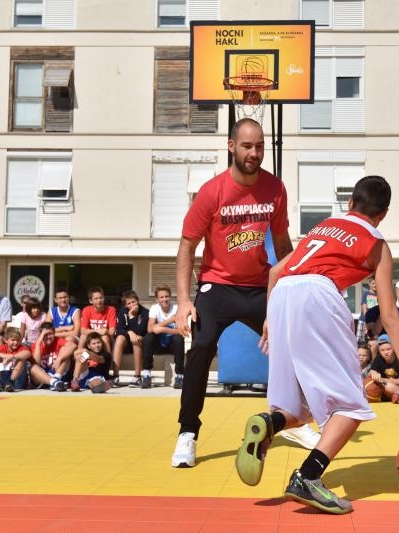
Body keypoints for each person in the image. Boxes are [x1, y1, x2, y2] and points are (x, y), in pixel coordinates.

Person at [234, 175, 399, 515]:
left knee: (295, 407)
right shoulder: (377, 243)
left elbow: (275, 272)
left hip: (282, 295)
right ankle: (308, 477)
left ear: (350, 203)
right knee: (351, 405)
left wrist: (269, 319)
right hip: (318, 295)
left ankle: (269, 424)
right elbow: (390, 315)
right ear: (383, 214)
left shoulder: (324, 227)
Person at [171, 118, 293, 468]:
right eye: (247, 146)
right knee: (202, 345)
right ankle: (187, 433)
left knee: (291, 343)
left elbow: (283, 245)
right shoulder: (212, 192)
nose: (254, 153)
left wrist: (292, 290)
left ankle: (294, 417)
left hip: (259, 285)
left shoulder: (275, 189)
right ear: (231, 146)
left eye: (259, 146)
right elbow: (187, 246)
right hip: (218, 286)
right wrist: (183, 300)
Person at [143, 284, 185, 389]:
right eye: (161, 297)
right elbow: (150, 329)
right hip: (159, 345)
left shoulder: (177, 309)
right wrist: (170, 320)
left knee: (179, 338)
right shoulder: (154, 308)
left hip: (173, 345)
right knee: (148, 338)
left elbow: (181, 331)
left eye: (167, 296)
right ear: (157, 299)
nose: (164, 299)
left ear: (170, 296)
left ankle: (179, 376)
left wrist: (161, 329)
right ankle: (146, 374)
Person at [113, 290, 151, 388]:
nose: (132, 305)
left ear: (138, 301)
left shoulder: (145, 313)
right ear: (125, 305)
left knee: (136, 339)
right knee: (120, 338)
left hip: (140, 343)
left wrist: (132, 317)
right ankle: (115, 376)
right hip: (126, 342)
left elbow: (140, 331)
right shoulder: (122, 311)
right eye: (129, 303)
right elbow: (119, 329)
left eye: (133, 302)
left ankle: (137, 376)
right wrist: (129, 332)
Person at [0, 327, 31, 392]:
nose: (15, 342)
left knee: (21, 360)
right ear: (6, 340)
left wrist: (13, 357)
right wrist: (4, 355)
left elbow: (28, 353)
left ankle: (11, 381)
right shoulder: (3, 347)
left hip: (18, 381)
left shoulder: (22, 347)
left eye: (18, 340)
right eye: (13, 340)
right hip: (4, 379)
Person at [366, 334, 399, 402]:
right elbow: (371, 372)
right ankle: (396, 398)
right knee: (370, 385)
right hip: (384, 388)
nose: (386, 352)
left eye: (388, 349)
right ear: (379, 350)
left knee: (388, 386)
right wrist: (374, 373)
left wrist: (381, 379)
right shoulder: (378, 359)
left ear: (394, 348)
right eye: (382, 350)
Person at [29, 323, 69, 391]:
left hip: (56, 373)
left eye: (51, 334)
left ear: (54, 334)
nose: (48, 337)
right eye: (45, 335)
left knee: (66, 352)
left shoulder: (58, 340)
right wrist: (38, 343)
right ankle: (55, 382)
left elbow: (72, 345)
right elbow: (37, 363)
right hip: (42, 378)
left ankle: (56, 379)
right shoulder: (35, 345)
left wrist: (59, 359)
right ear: (41, 335)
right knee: (33, 368)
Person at [79, 287, 117, 353]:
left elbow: (112, 332)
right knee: (83, 337)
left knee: (105, 338)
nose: (99, 301)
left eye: (101, 298)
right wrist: (99, 331)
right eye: (96, 298)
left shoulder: (111, 309)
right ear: (90, 301)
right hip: (91, 338)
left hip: (105, 338)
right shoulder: (86, 310)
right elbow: (83, 331)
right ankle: (78, 357)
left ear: (104, 298)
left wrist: (104, 332)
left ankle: (108, 358)